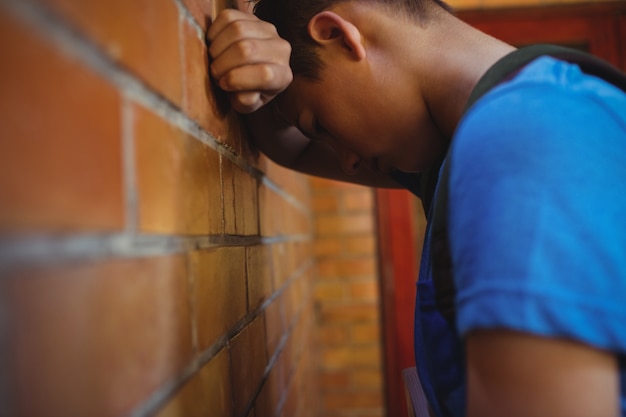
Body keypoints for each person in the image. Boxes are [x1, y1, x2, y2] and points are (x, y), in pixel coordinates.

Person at [207, 1, 626, 416]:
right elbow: (294, 152)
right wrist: (259, 74)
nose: (346, 160)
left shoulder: (521, 139)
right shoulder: (468, 142)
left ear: (339, 35)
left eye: (320, 125)